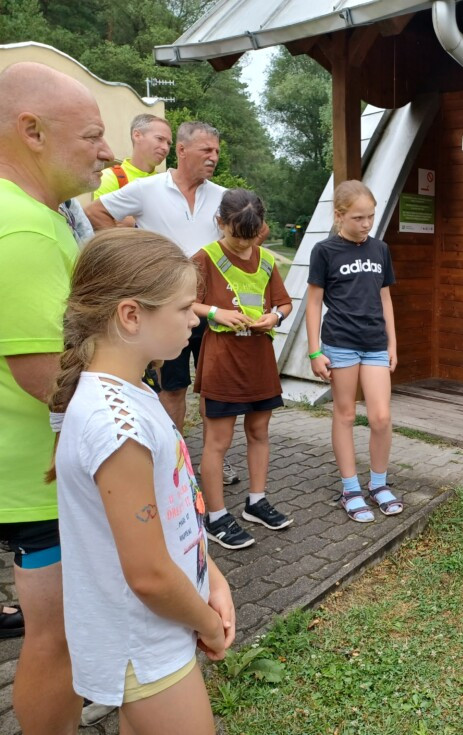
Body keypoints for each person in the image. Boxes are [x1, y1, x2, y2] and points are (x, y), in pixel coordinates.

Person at [49, 228, 235, 732]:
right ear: (131, 315)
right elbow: (149, 574)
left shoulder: (134, 392)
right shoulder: (116, 424)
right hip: (143, 639)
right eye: (183, 309)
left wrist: (211, 578)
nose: (195, 319)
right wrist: (207, 623)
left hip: (162, 627)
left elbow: (175, 515)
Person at [0, 60, 113, 734]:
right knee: (56, 639)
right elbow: (49, 375)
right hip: (41, 483)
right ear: (32, 131)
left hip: (35, 474)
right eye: (93, 136)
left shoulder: (36, 215)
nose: (108, 151)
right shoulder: (24, 229)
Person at [85, 120, 241, 487]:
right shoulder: (147, 189)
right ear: (182, 151)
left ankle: (214, 462)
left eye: (217, 151)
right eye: (207, 150)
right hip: (165, 307)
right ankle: (174, 463)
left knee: (214, 389)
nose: (214, 157)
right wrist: (137, 253)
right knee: (172, 388)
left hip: (214, 307)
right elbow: (95, 215)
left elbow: (255, 228)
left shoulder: (223, 196)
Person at [191, 190, 293, 549]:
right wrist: (217, 313)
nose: (245, 244)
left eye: (252, 237)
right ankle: (215, 515)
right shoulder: (205, 258)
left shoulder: (265, 259)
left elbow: (284, 302)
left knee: (260, 432)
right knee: (217, 442)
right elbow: (183, 299)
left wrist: (275, 316)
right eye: (238, 237)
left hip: (259, 361)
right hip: (223, 361)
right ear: (220, 223)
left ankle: (256, 501)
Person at [305, 180, 403, 523]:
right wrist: (314, 351)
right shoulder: (325, 251)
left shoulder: (380, 249)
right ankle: (350, 488)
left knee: (381, 417)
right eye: (359, 217)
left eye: (371, 217)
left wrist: (392, 342)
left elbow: (385, 297)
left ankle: (378, 484)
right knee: (344, 415)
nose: (366, 224)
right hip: (340, 343)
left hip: (375, 343)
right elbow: (313, 303)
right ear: (339, 216)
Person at [92, 113, 172, 202]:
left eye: (169, 143)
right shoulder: (109, 178)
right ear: (137, 136)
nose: (165, 148)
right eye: (160, 139)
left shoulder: (167, 184)